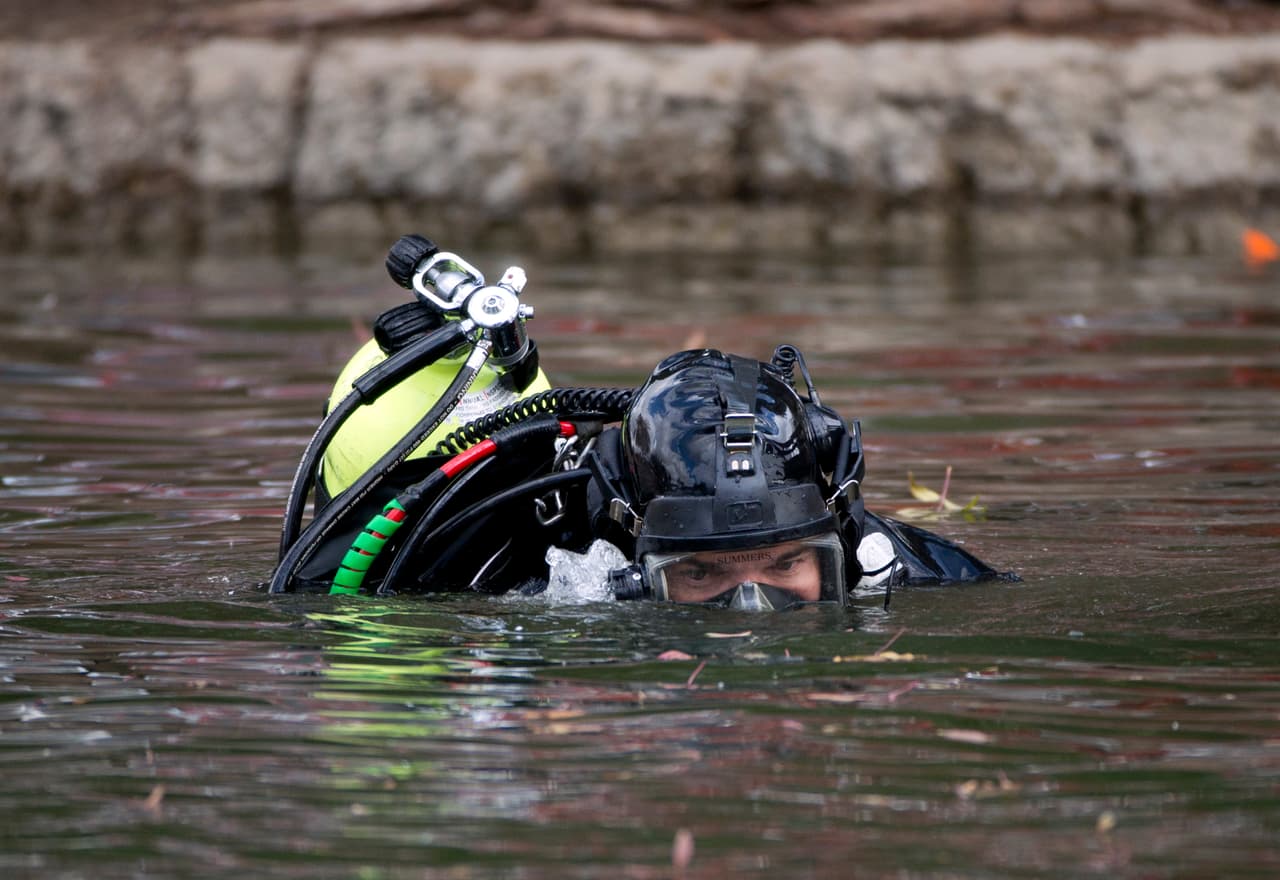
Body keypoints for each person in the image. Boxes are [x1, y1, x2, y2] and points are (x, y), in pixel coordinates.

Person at [269, 236, 1015, 607]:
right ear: (636, 543)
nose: (751, 609)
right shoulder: (555, 553)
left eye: (788, 564)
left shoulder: (883, 557)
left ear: (834, 529)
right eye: (700, 575)